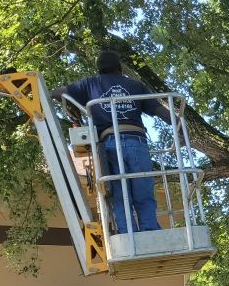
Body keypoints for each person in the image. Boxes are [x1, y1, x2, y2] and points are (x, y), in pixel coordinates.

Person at [53, 51, 170, 233]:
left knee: (119, 195)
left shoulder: (90, 84)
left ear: (99, 69)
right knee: (143, 192)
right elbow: (160, 111)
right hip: (136, 142)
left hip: (109, 145)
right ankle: (150, 232)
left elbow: (57, 93)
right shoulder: (135, 85)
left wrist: (71, 104)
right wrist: (179, 124)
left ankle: (128, 234)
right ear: (119, 67)